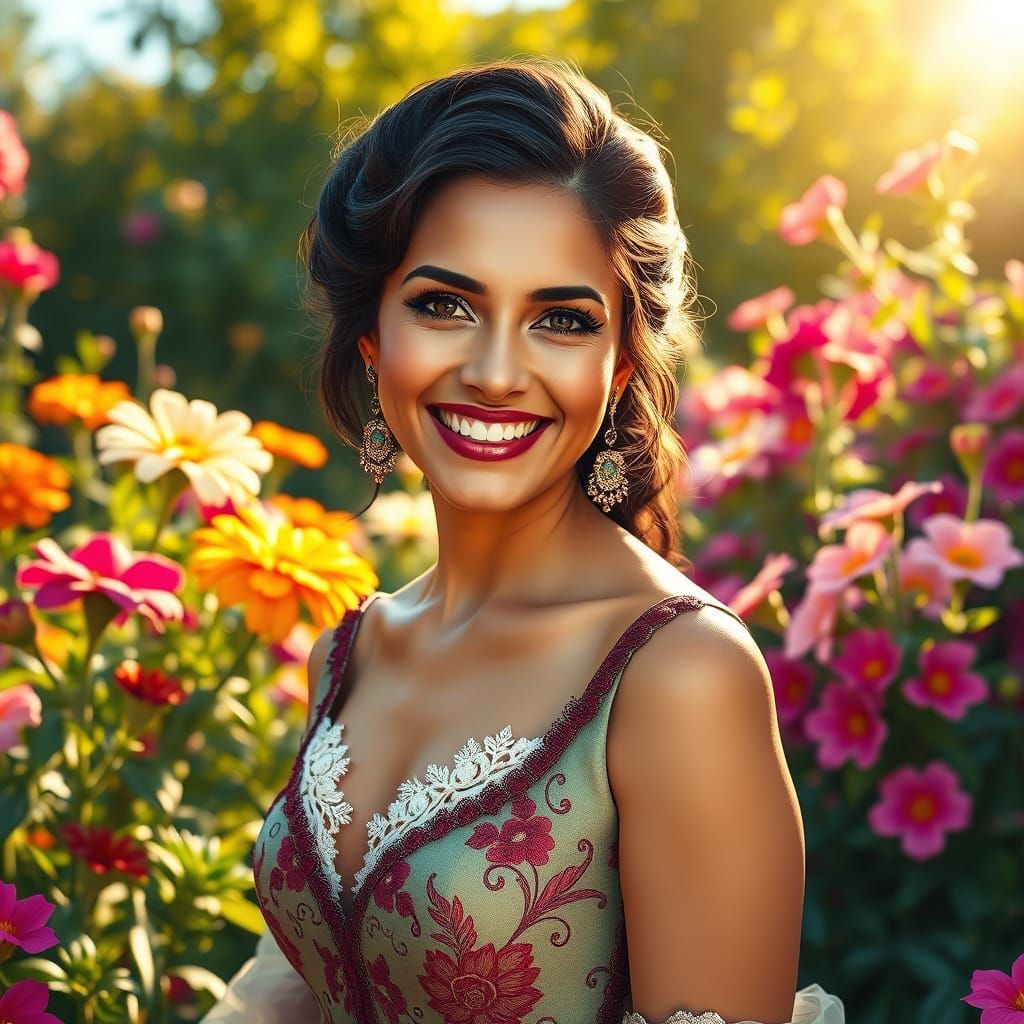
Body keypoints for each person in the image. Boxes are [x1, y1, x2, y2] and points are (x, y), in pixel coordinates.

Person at [201, 56, 846, 1024]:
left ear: (621, 360)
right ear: (373, 338)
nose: (497, 371)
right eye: (444, 304)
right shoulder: (352, 648)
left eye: (560, 319)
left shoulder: (678, 673)